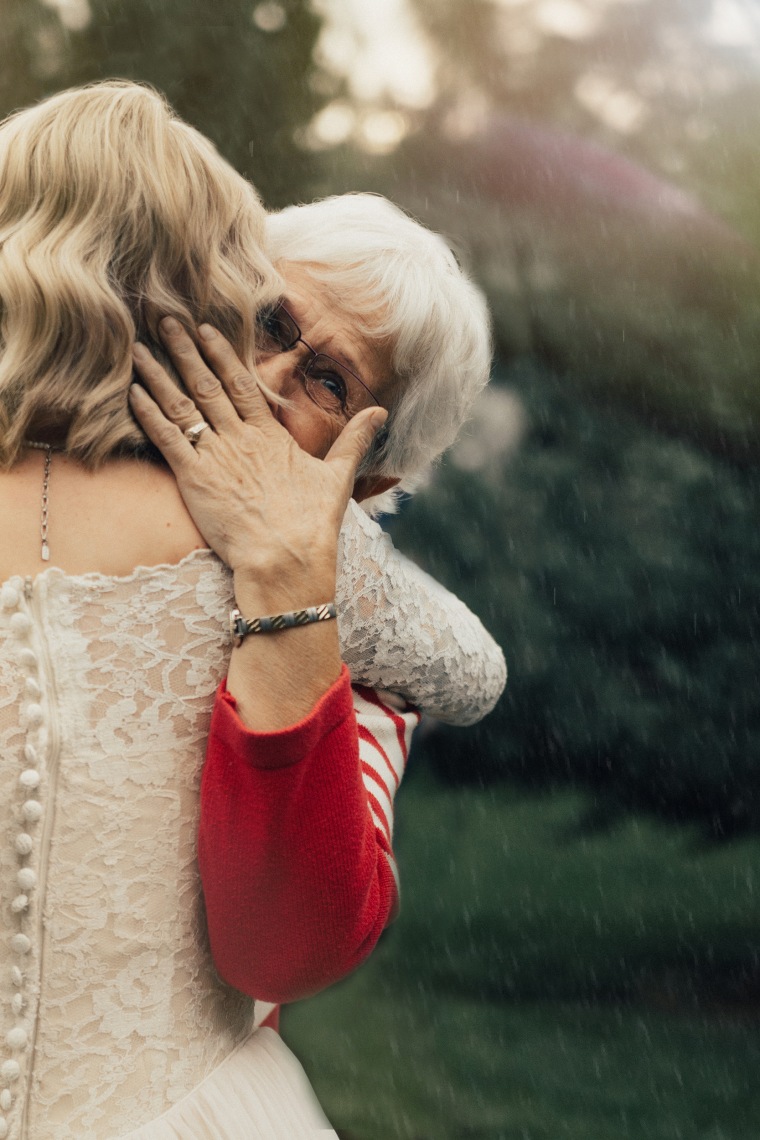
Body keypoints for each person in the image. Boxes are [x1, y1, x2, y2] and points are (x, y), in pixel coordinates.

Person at [0, 81, 502, 1140]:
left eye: (324, 379)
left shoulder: (366, 653)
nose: (264, 376)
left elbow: (286, 949)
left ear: (370, 480)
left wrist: (288, 581)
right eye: (265, 320)